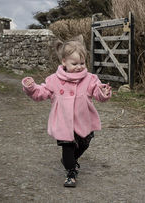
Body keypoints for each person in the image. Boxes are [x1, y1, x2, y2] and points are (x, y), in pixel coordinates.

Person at [21, 35, 112, 187]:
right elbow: (40, 93)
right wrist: (31, 87)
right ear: (64, 62)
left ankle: (71, 160)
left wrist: (103, 92)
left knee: (84, 143)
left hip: (83, 121)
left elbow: (97, 92)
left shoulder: (90, 79)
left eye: (82, 63)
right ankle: (71, 171)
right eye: (74, 63)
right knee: (68, 151)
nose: (79, 67)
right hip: (64, 123)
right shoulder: (54, 80)